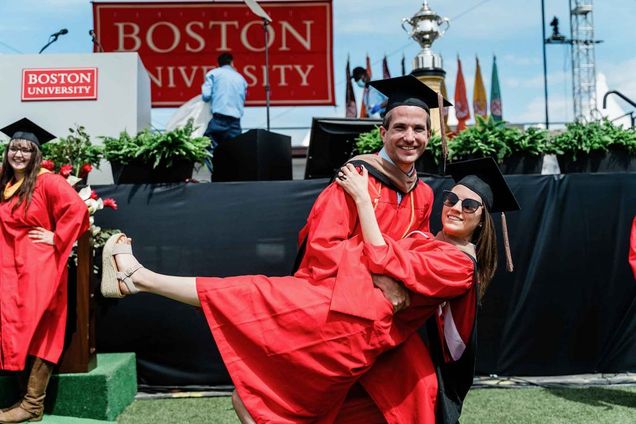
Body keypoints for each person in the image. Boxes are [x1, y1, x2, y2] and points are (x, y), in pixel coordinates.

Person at [99, 157, 518, 423]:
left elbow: (382, 255)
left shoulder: (460, 264)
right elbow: (382, 257)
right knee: (256, 383)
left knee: (249, 298)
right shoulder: (432, 241)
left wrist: (363, 205)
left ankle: (138, 279)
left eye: (470, 205)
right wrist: (384, 269)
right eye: (453, 198)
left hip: (350, 327)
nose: (456, 207)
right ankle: (136, 279)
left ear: (483, 221)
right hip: (345, 310)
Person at [0, 118, 90, 423]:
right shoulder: (5, 182)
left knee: (38, 327)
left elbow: (77, 210)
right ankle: (21, 399)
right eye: (14, 148)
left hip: (39, 269)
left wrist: (57, 236)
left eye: (26, 149)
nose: (19, 154)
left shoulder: (47, 181)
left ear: (36, 154)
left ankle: (32, 403)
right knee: (12, 326)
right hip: (10, 269)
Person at [201, 53, 248, 150]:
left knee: (208, 147)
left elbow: (206, 96)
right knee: (234, 152)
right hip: (235, 121)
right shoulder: (241, 78)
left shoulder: (213, 73)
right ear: (232, 63)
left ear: (218, 64)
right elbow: (244, 97)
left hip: (219, 118)